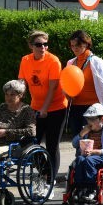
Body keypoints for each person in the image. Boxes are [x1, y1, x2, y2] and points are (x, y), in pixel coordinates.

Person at [18, 30, 68, 189]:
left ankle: (49, 181)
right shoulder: (25, 60)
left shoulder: (53, 61)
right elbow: (22, 84)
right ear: (31, 46)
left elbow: (53, 88)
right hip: (35, 107)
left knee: (52, 145)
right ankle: (45, 172)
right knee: (30, 143)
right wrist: (17, 104)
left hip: (56, 107)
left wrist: (45, 109)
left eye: (45, 44)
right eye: (39, 44)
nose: (43, 47)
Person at [66, 30, 103, 136]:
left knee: (91, 141)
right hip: (75, 108)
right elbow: (67, 84)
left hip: (93, 109)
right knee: (78, 141)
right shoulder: (70, 63)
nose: (75, 48)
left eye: (78, 45)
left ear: (86, 44)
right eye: (72, 46)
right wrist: (67, 94)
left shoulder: (97, 62)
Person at [70, 103, 103, 203]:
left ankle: (91, 189)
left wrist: (97, 151)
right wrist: (81, 134)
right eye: (88, 119)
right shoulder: (86, 131)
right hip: (86, 156)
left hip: (102, 157)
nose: (89, 122)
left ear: (102, 119)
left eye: (92, 119)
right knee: (79, 159)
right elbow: (74, 144)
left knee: (89, 160)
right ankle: (79, 188)